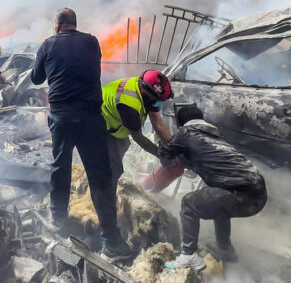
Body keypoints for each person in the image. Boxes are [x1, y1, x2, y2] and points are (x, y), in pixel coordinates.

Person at [31, 8, 133, 260]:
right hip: (90, 118)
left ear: (57, 25)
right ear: (74, 23)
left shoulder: (48, 44)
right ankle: (112, 241)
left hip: (61, 118)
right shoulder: (92, 42)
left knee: (60, 166)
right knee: (100, 175)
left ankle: (58, 218)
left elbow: (36, 78)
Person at [163, 104, 267, 268]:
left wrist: (165, 146)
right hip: (258, 194)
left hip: (239, 193)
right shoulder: (216, 136)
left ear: (181, 123)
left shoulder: (186, 132)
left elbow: (165, 156)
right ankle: (225, 249)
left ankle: (188, 255)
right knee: (217, 205)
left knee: (189, 203)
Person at [101, 70, 174, 186]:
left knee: (123, 145)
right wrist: (161, 155)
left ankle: (105, 182)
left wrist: (173, 147)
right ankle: (103, 192)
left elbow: (158, 125)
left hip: (112, 121)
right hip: (98, 124)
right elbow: (139, 138)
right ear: (150, 97)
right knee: (113, 168)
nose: (160, 104)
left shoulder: (142, 87)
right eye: (159, 101)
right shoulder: (129, 106)